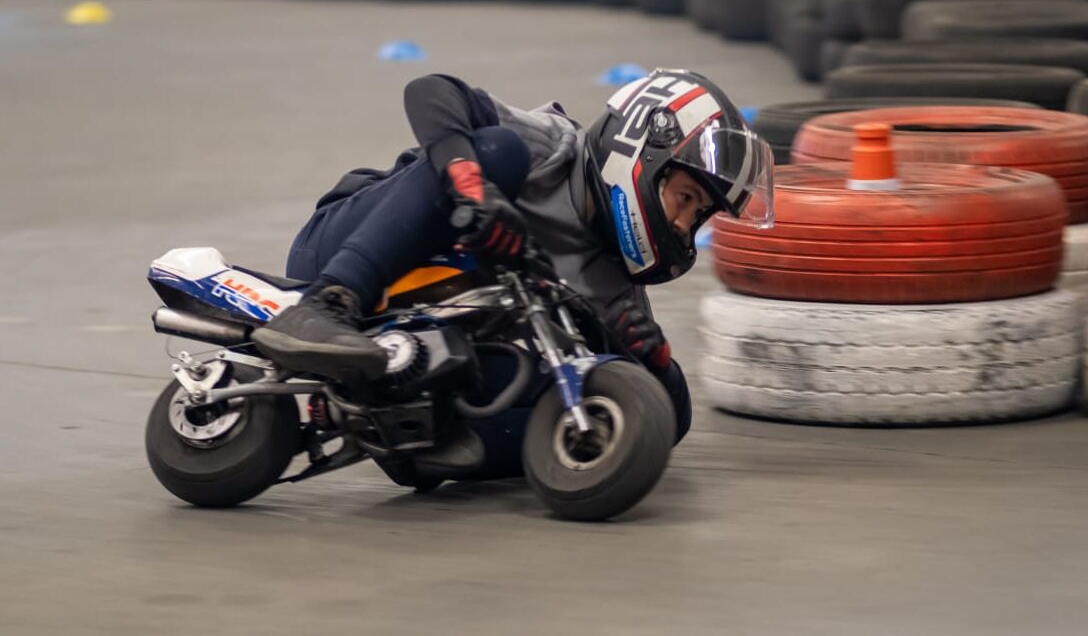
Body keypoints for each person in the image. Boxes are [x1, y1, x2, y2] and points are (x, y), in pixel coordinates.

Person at [251, 69, 776, 448]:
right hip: (341, 250)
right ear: (644, 152)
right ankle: (325, 306)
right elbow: (432, 91)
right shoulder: (556, 150)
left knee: (579, 374)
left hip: (409, 335)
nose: (685, 225)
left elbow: (668, 421)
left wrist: (656, 360)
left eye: (699, 214)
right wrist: (472, 187)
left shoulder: (612, 286)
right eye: (685, 198)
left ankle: (403, 432)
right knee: (499, 151)